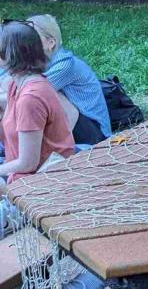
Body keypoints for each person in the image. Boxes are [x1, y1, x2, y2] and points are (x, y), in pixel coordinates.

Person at [0, 20, 75, 193]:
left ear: (9, 54)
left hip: (43, 182)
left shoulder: (30, 98)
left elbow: (28, 163)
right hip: (21, 174)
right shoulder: (16, 85)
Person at [27, 15, 111, 145]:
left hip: (95, 134)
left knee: (43, 92)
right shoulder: (42, 63)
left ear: (51, 43)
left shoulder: (65, 65)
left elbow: (28, 93)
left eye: (32, 36)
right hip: (80, 125)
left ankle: (55, 146)